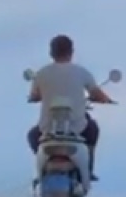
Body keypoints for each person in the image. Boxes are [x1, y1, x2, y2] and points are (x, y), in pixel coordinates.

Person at [26, 34, 114, 180]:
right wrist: (106, 100)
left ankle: (42, 167)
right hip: (77, 127)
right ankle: (89, 169)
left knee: (32, 135)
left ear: (51, 53)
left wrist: (37, 97)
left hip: (47, 129)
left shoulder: (41, 74)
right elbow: (98, 94)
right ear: (71, 52)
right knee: (93, 130)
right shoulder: (81, 72)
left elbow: (34, 96)